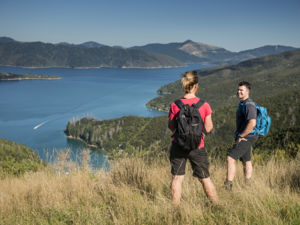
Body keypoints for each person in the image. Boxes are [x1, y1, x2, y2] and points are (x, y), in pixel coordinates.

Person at [168, 71, 218, 207]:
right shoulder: (204, 105)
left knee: (177, 179)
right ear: (196, 85)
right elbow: (208, 128)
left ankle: (175, 210)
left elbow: (171, 127)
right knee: (205, 179)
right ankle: (216, 206)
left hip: (178, 146)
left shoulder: (175, 105)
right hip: (197, 146)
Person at [224, 81, 258, 190]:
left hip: (247, 136)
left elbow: (252, 123)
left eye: (241, 90)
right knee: (246, 161)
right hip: (246, 135)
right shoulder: (242, 103)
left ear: (247, 92)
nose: (238, 92)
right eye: (238, 90)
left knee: (230, 158)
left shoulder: (249, 105)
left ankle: (228, 185)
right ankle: (247, 185)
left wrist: (241, 136)